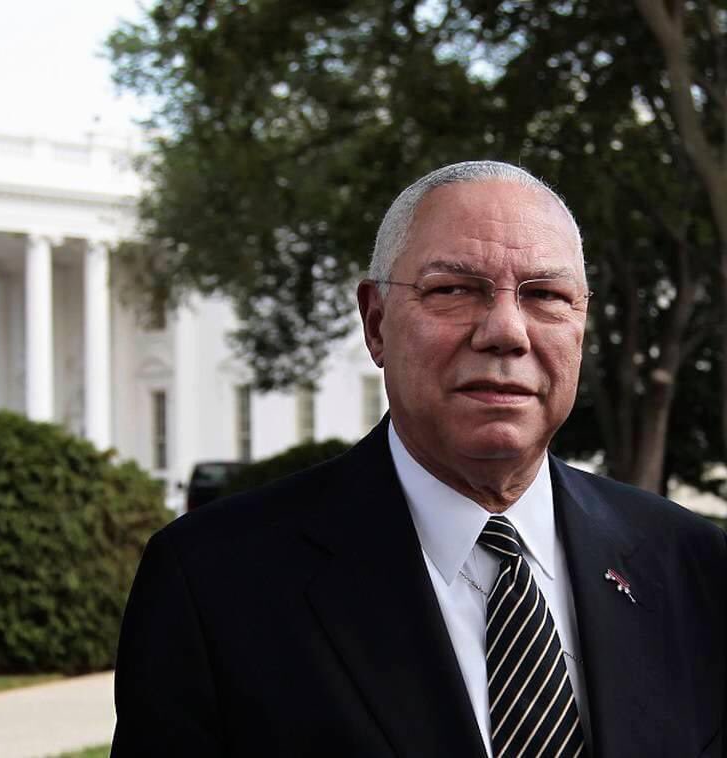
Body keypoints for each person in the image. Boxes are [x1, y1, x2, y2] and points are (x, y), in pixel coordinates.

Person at [110, 161, 727, 757]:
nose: (507, 331)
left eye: (545, 295)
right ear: (376, 323)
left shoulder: (692, 568)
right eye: (454, 289)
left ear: (581, 325)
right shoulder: (212, 584)